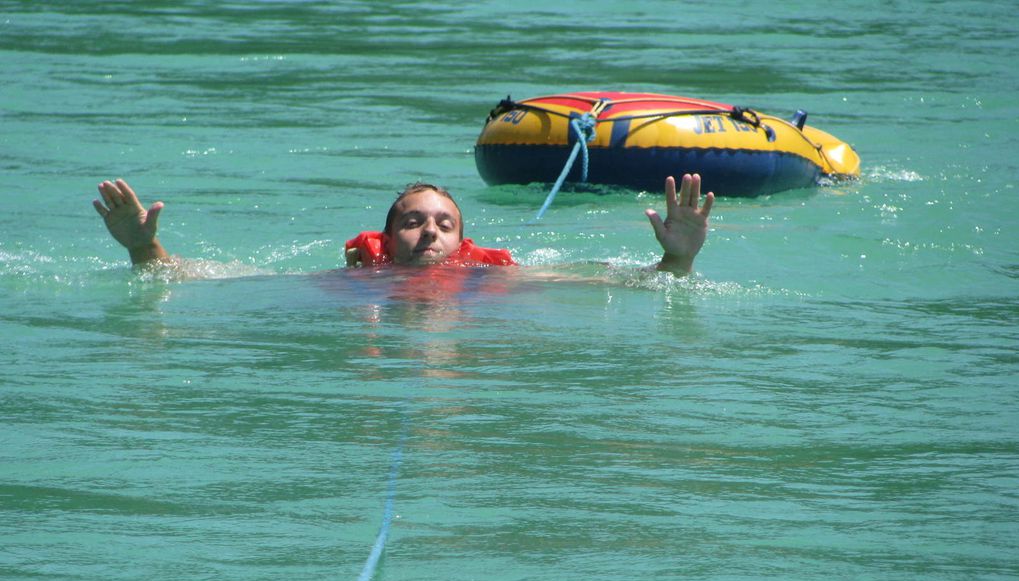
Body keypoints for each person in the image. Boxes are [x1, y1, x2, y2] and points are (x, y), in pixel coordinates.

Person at [93, 174, 714, 275]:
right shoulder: (356, 285)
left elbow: (612, 284)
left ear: (462, 241)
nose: (430, 231)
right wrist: (146, 254)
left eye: (444, 223)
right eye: (413, 221)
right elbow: (224, 279)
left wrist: (676, 260)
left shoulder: (492, 283)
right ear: (386, 240)